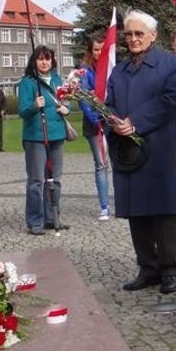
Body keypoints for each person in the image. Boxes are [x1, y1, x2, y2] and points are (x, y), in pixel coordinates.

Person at [105, 10, 176, 294]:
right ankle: (147, 267)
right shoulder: (120, 70)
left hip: (159, 146)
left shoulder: (171, 64)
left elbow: (171, 99)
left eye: (139, 33)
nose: (133, 39)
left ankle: (169, 269)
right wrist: (113, 121)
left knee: (162, 210)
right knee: (136, 210)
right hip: (128, 149)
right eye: (129, 34)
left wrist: (136, 122)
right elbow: (109, 102)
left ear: (152, 35)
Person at [17, 47, 69, 235]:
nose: (44, 62)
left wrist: (66, 108)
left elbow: (66, 100)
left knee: (55, 180)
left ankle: (52, 217)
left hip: (56, 134)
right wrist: (33, 106)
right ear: (34, 61)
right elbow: (22, 111)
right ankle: (35, 220)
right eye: (40, 59)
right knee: (37, 180)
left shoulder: (56, 80)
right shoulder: (27, 83)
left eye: (47, 59)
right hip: (36, 137)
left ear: (52, 61)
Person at [79, 32, 112, 221]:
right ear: (91, 51)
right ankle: (104, 205)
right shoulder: (85, 71)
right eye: (96, 50)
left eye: (102, 49)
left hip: (112, 122)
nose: (99, 53)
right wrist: (96, 120)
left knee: (118, 162)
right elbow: (84, 99)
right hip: (95, 125)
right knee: (101, 164)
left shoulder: (112, 68)